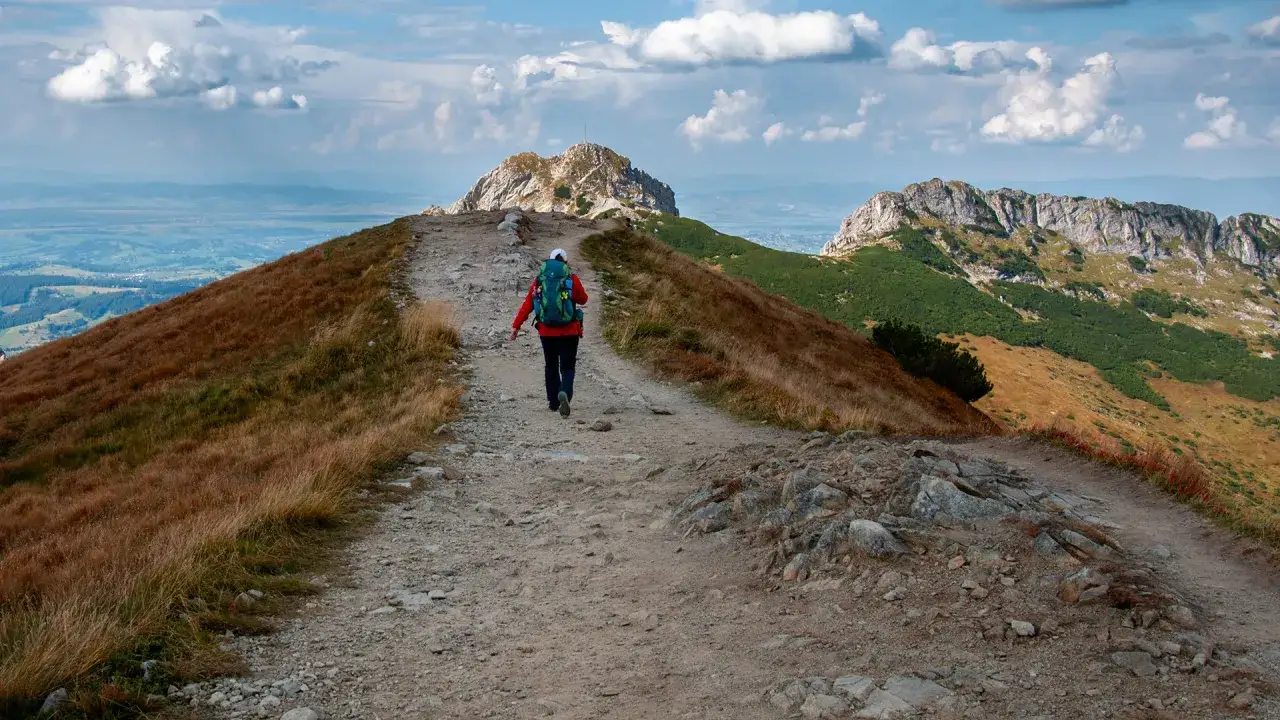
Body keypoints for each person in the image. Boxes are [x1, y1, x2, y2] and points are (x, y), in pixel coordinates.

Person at [509, 248, 589, 417]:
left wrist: (516, 326)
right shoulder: (571, 278)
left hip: (546, 332)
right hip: (569, 332)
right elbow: (583, 299)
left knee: (551, 365)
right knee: (567, 367)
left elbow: (528, 304)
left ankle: (553, 402)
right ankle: (565, 393)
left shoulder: (540, 280)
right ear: (565, 262)